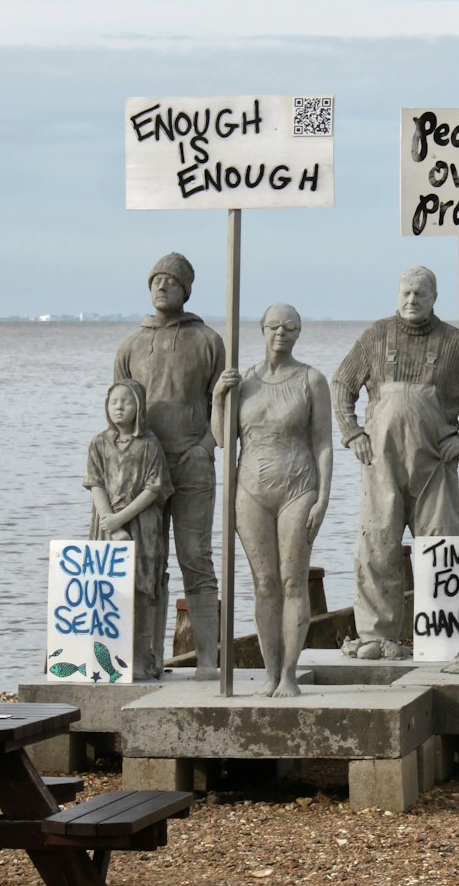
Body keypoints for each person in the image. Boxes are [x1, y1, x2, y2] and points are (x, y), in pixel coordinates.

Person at [332, 265, 459, 660]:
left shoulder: (456, 343)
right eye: (406, 293)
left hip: (436, 466)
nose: (412, 301)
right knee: (377, 544)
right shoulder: (377, 335)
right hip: (381, 463)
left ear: (434, 297)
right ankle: (378, 636)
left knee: (442, 543)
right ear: (397, 295)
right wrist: (353, 432)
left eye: (420, 294)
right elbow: (342, 383)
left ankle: (446, 636)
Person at [114, 253, 225, 678]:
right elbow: (117, 409)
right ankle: (146, 659)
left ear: (187, 289)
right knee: (147, 561)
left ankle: (210, 660)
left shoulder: (208, 340)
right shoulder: (131, 345)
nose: (162, 286)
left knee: (196, 558)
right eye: (156, 280)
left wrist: (207, 445)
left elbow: (222, 403)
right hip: (143, 472)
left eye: (171, 281)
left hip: (193, 462)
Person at [212, 304, 332, 697]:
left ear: (299, 333)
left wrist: (324, 497)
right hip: (250, 490)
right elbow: (223, 439)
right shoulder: (244, 380)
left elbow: (323, 444)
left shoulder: (312, 380)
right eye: (274, 326)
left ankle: (290, 675)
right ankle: (269, 672)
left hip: (298, 488)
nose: (281, 333)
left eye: (290, 327)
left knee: (292, 580)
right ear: (261, 330)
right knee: (264, 582)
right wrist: (217, 399)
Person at [84, 379, 174, 680]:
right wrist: (110, 520)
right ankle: (103, 659)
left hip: (141, 523)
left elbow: (154, 488)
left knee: (141, 589)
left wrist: (122, 519)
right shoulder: (98, 443)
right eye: (113, 402)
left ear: (139, 407)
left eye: (126, 401)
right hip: (105, 524)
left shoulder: (149, 445)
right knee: (106, 590)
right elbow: (95, 483)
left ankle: (139, 658)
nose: (119, 407)